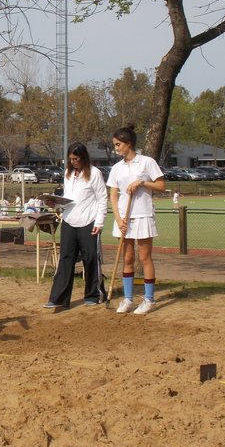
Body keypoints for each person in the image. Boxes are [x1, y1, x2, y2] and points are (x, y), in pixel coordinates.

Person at [106, 124, 165, 315]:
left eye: (118, 145)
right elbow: (113, 195)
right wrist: (118, 218)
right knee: (127, 258)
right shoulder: (116, 168)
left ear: (128, 144)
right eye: (115, 145)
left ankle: (149, 300)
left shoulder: (147, 162)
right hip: (124, 217)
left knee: (144, 257)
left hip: (142, 214)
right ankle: (128, 299)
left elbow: (161, 185)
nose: (116, 148)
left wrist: (141, 183)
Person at [43, 142, 108, 309]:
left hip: (89, 221)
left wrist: (99, 222)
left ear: (83, 157)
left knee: (91, 258)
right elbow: (68, 199)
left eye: (76, 159)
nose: (73, 162)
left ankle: (94, 295)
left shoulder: (95, 173)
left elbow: (102, 199)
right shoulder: (68, 173)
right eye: (71, 159)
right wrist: (55, 204)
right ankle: (58, 298)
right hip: (69, 220)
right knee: (65, 258)